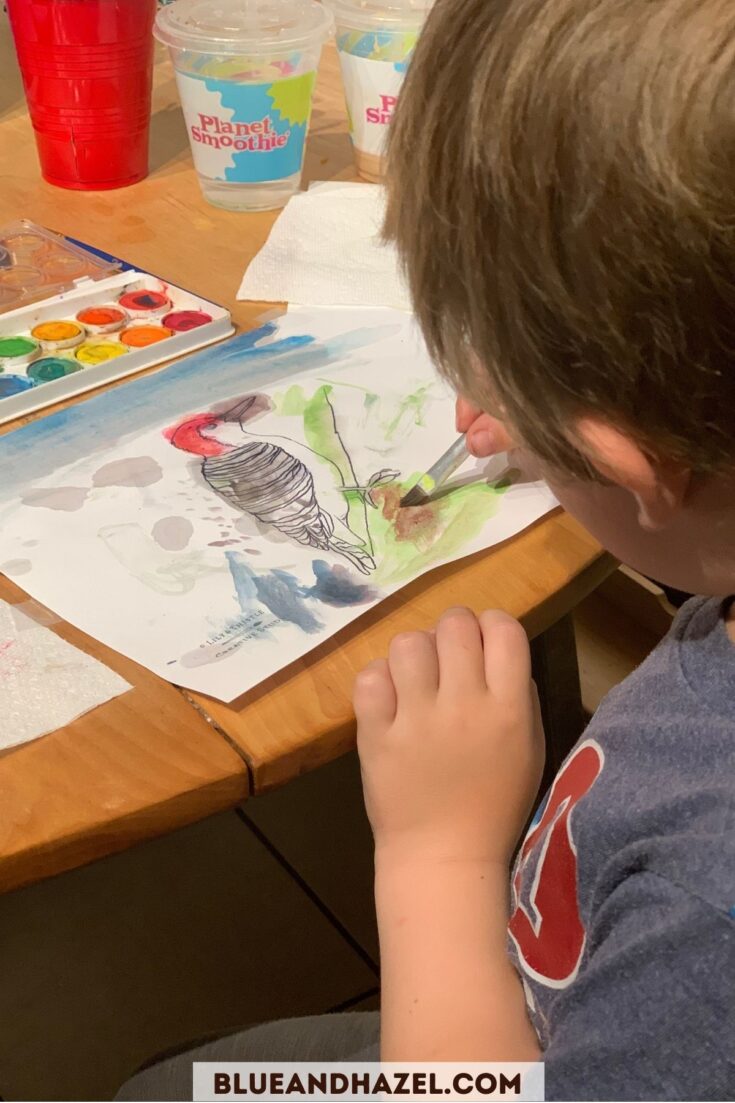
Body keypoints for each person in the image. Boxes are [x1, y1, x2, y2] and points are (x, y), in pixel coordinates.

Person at [117, 0, 735, 1098]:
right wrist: (567, 434)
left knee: (160, 1089)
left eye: (494, 372)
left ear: (637, 462)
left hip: (514, 1039)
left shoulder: (707, 924)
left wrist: (438, 858)